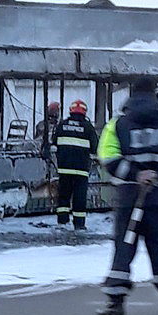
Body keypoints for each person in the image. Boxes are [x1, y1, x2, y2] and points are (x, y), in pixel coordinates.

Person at [96, 78, 158, 315]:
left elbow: (108, 158)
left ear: (131, 94)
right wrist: (157, 175)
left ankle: (115, 304)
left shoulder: (117, 125)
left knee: (125, 246)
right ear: (156, 94)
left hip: (129, 199)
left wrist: (135, 175)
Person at [52, 99, 98, 230]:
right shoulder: (88, 127)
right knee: (79, 196)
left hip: (64, 168)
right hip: (81, 169)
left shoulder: (62, 124)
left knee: (64, 195)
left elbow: (54, 142)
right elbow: (95, 148)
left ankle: (62, 221)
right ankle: (79, 224)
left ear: (71, 111)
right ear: (84, 112)